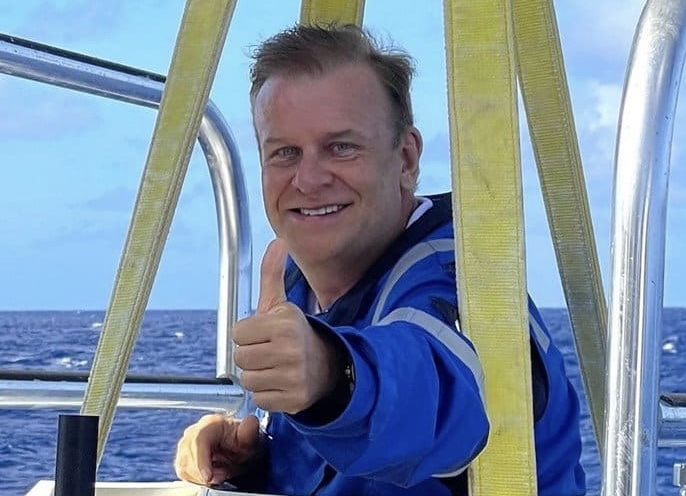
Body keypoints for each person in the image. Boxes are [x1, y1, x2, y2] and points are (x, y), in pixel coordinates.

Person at [174, 23, 586, 496]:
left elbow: (437, 393)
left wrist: (332, 375)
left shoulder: (461, 284)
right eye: (285, 153)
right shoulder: (299, 286)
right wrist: (256, 462)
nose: (308, 179)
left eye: (340, 148)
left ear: (406, 159)